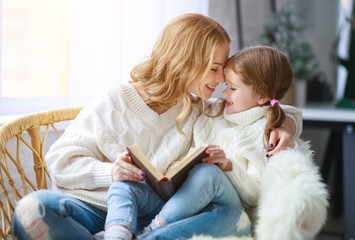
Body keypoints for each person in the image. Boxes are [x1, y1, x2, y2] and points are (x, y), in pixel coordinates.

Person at [12, 14, 301, 240]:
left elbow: (265, 105)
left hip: (155, 218)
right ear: (185, 61)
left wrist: (285, 126)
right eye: (214, 68)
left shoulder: (200, 108)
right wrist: (110, 172)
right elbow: (60, 162)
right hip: (93, 211)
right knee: (31, 211)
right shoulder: (116, 100)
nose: (221, 80)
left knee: (233, 218)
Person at [134, 45, 299, 239]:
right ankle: (117, 232)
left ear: (261, 97)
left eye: (232, 87)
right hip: (194, 199)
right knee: (126, 186)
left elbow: (255, 194)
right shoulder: (213, 112)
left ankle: (152, 229)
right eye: (226, 84)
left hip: (230, 205)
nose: (223, 92)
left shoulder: (265, 132)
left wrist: (228, 165)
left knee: (208, 172)